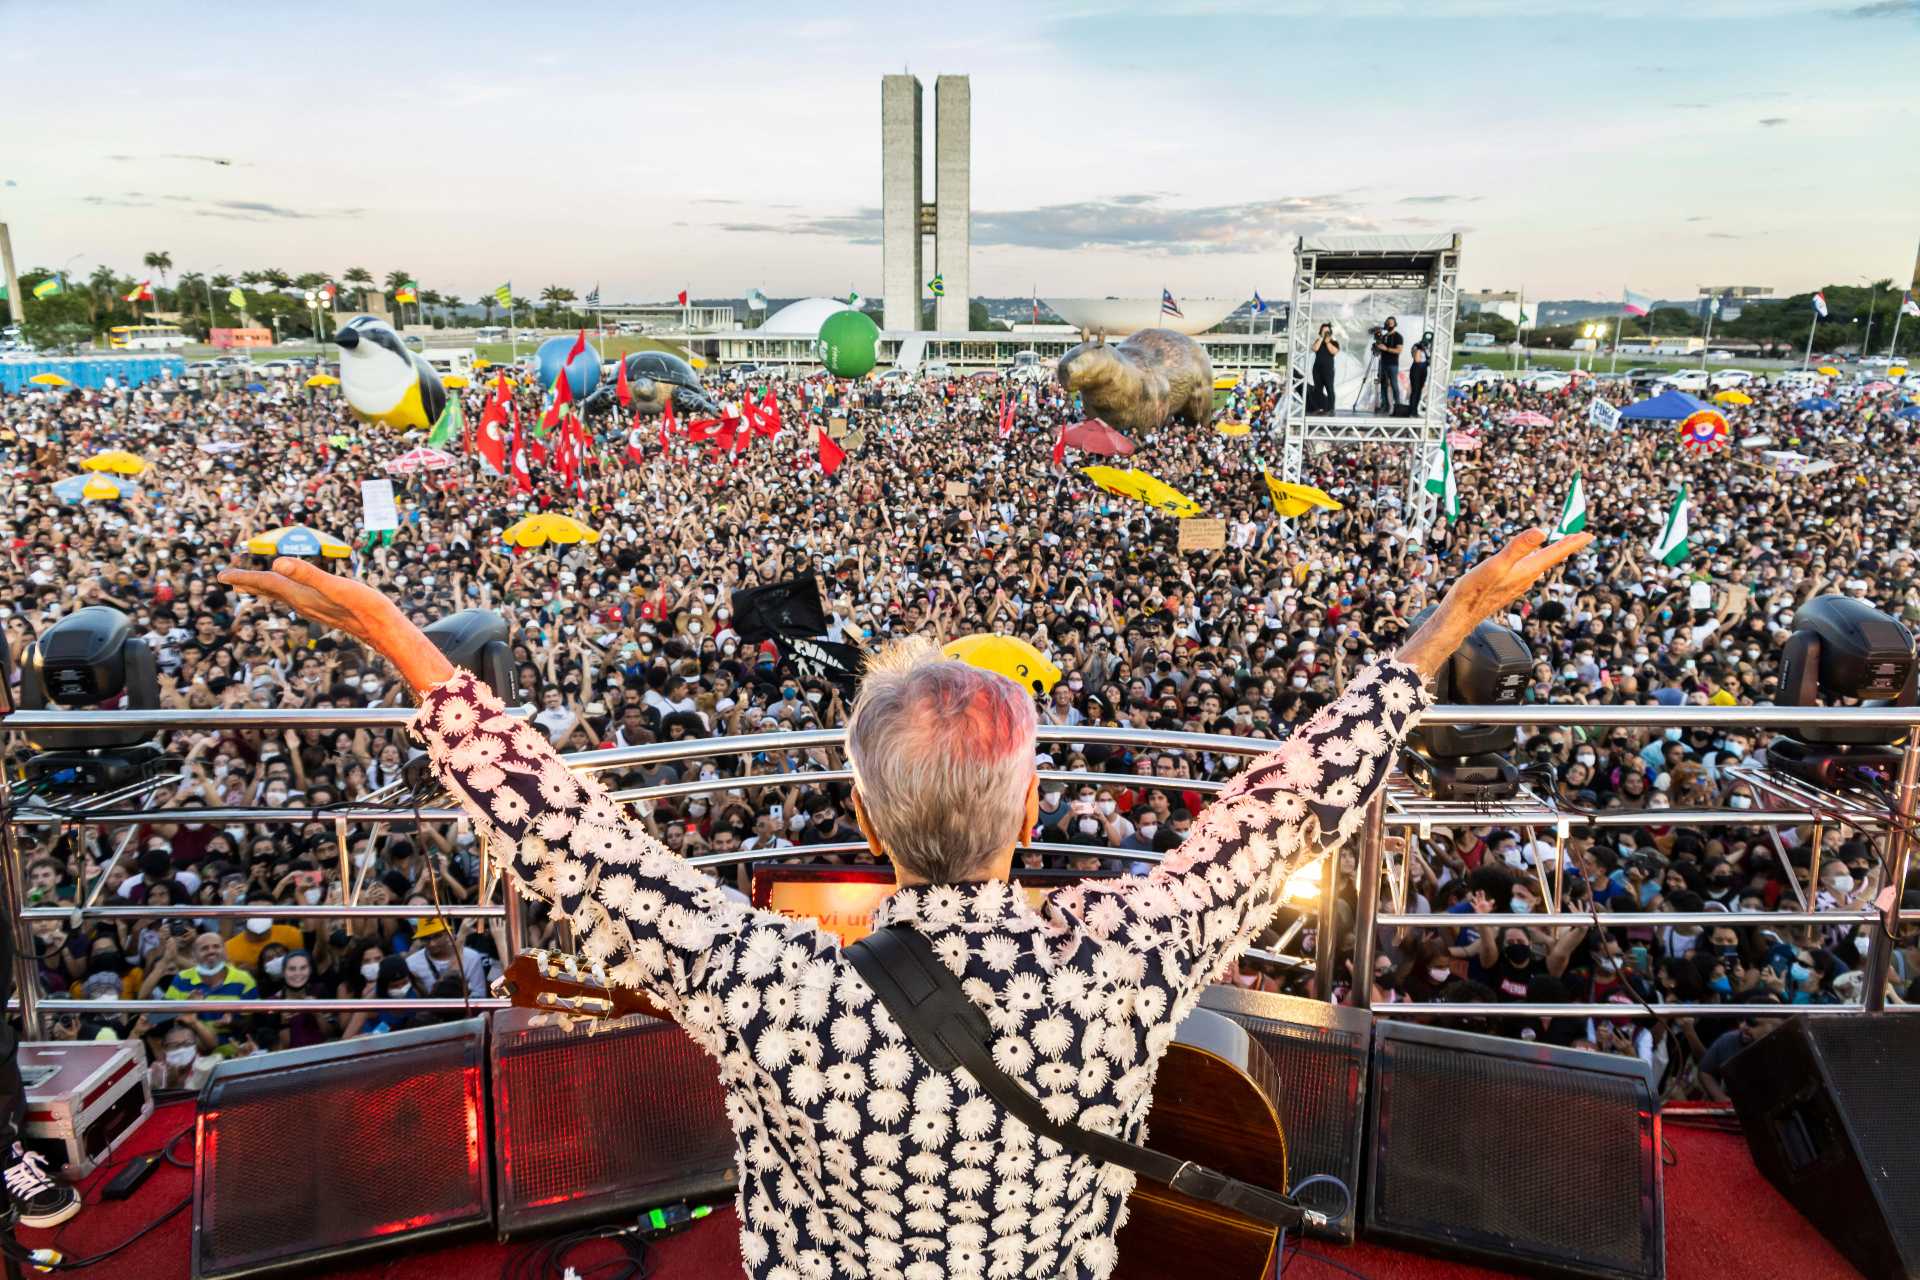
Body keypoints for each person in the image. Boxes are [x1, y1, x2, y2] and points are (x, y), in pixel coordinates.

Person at [219, 526, 1587, 1280]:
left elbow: (567, 838)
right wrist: (1446, 624)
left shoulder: (772, 987)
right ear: (1031, 816)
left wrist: (400, 642)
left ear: (864, 823)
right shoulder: (1124, 962)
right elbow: (1287, 801)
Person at [1373, 317, 1404, 414]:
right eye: (1387, 323)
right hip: (1383, 363)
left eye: (1391, 323)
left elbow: (1399, 350)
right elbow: (1378, 352)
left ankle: (1398, 405)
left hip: (1393, 364)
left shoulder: (1398, 336)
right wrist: (1376, 347)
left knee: (1394, 385)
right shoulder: (1384, 336)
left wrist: (1386, 349)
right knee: (1383, 384)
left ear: (1395, 324)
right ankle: (1384, 405)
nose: (1389, 325)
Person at [1309, 322, 1339, 414]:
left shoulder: (1334, 342)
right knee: (1318, 389)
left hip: (1328, 370)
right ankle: (1319, 408)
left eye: (1327, 331)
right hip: (1317, 370)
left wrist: (1328, 342)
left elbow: (1334, 351)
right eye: (1324, 331)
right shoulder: (1318, 341)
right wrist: (1321, 338)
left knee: (1330, 389)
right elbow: (1315, 349)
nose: (1326, 333)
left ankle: (1331, 408)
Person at [1406, 331, 1432, 415]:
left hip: (1423, 369)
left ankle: (1415, 409)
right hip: (1416, 369)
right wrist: (1420, 349)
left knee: (1419, 390)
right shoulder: (1417, 346)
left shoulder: (1429, 347)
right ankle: (1412, 410)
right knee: (1415, 390)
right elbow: (1416, 359)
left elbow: (1429, 360)